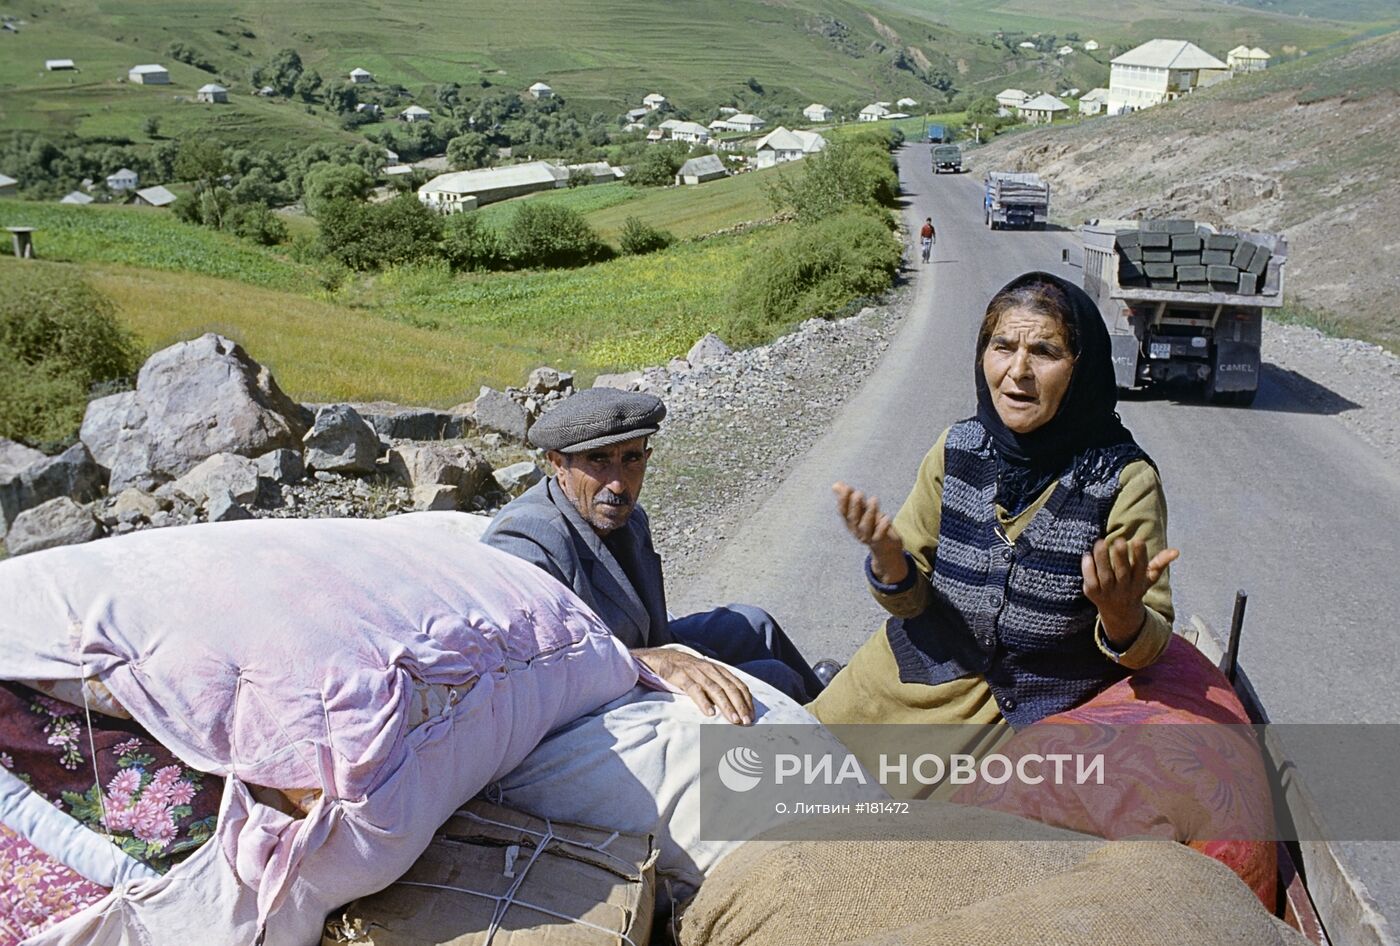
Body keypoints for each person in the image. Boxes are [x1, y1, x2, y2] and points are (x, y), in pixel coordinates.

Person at [811, 271, 1178, 754]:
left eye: (1045, 352)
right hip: (903, 685)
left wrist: (1120, 613)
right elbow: (911, 599)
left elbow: (1149, 642)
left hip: (1018, 720)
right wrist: (890, 561)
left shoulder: (1123, 481)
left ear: (1081, 371)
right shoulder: (958, 447)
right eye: (1002, 347)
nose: (1018, 371)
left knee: (904, 828)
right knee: (792, 771)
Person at [482, 388, 829, 725]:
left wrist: (673, 655)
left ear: (647, 457)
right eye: (598, 460)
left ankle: (835, 710)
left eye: (630, 459)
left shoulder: (628, 517)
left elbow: (649, 625)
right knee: (775, 679)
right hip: (603, 699)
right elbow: (538, 672)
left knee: (754, 624)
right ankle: (824, 743)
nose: (618, 484)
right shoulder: (528, 539)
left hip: (646, 650)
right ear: (558, 463)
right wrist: (651, 663)